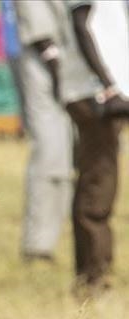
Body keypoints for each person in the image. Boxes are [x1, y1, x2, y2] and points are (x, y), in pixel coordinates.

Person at [15, 0, 129, 294]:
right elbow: (80, 22)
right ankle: (93, 278)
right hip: (93, 90)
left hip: (97, 88)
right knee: (98, 183)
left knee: (97, 180)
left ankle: (91, 274)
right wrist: (108, 85)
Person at [12, 1, 74, 262]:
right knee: (48, 154)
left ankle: (50, 240)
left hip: (67, 66)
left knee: (63, 157)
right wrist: (57, 68)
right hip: (43, 66)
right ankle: (37, 244)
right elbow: (39, 30)